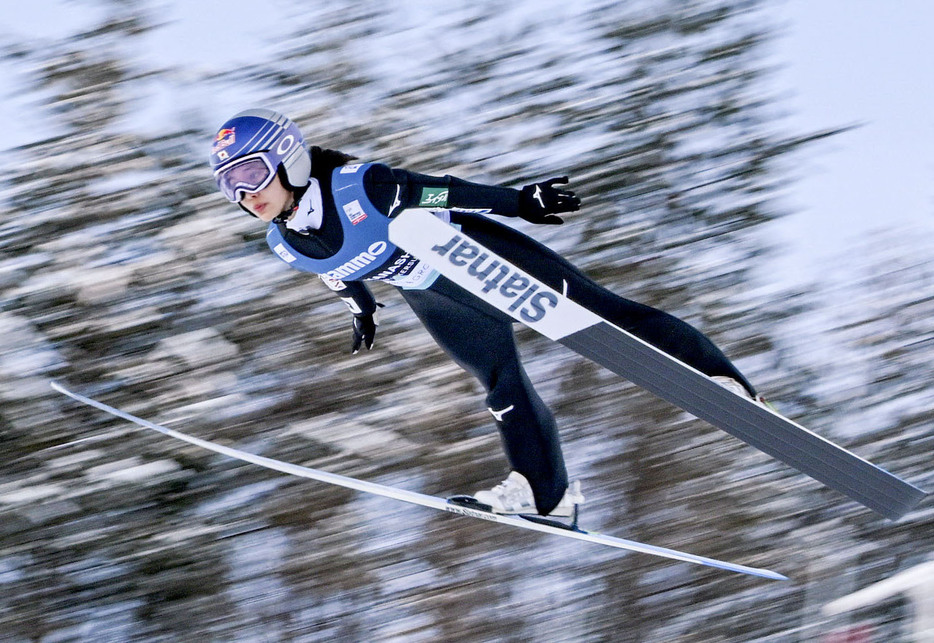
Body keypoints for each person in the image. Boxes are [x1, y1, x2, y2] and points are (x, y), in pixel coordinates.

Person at [210, 108, 759, 517]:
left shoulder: (362, 185)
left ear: (289, 155)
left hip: (476, 256)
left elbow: (444, 194)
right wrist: (362, 310)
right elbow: (340, 271)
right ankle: (547, 495)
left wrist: (522, 202)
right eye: (230, 184)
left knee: (602, 315)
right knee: (500, 383)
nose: (246, 193)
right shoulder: (285, 244)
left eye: (252, 173)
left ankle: (723, 381)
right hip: (432, 292)